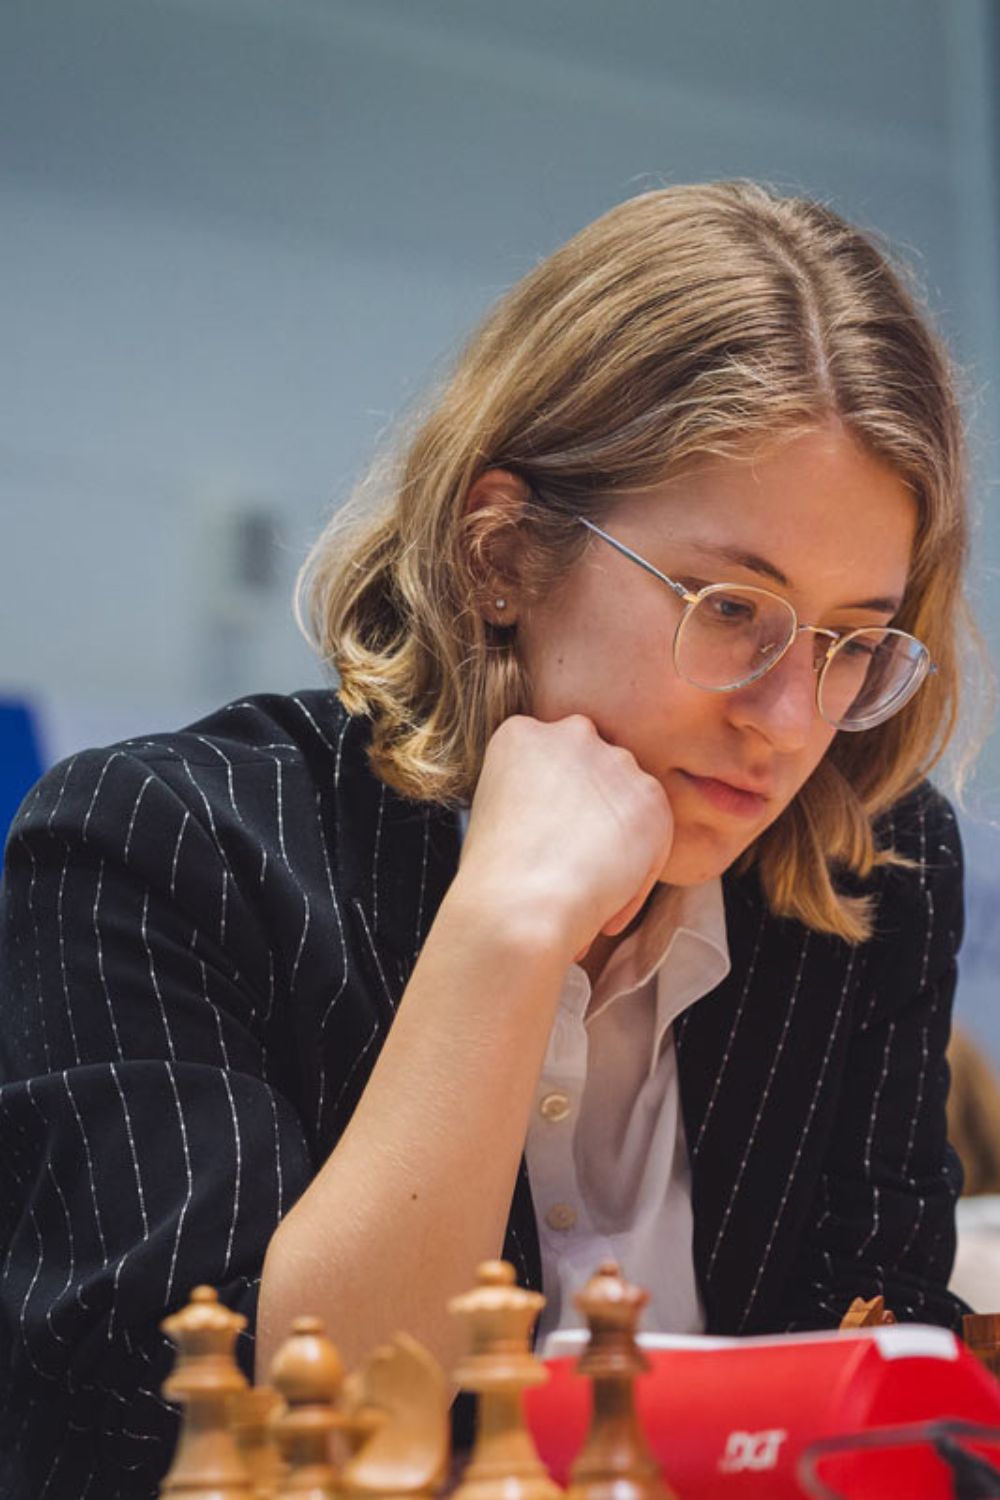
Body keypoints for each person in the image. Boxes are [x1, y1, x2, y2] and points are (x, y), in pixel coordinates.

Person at [0, 181, 979, 1499]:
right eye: (735, 606)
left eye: (853, 639)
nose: (792, 721)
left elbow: (887, 1418)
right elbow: (200, 1447)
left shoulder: (874, 871)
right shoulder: (155, 853)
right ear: (501, 553)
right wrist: (506, 933)